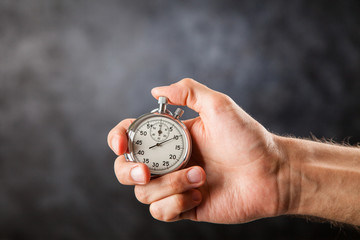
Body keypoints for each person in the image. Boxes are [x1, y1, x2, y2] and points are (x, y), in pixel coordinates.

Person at [107, 78, 360, 225]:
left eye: (163, 139)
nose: (156, 143)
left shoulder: (180, 134)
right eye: (151, 143)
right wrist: (281, 176)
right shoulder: (147, 139)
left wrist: (282, 172)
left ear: (175, 127)